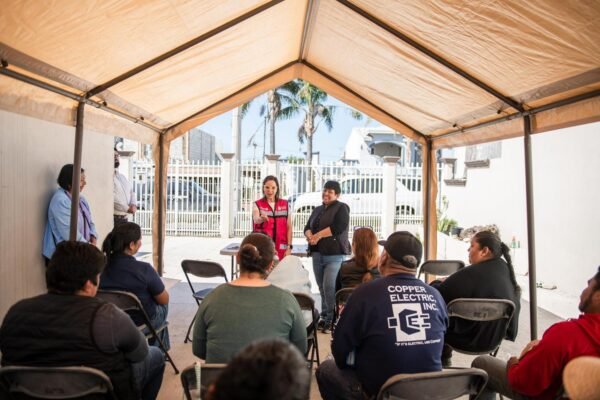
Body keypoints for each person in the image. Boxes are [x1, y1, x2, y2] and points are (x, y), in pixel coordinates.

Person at [0, 241, 165, 400]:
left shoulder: (15, 313)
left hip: (28, 394)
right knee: (156, 355)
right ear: (88, 285)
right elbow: (140, 353)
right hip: (101, 394)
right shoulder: (108, 316)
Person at [316, 231, 448, 400]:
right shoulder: (435, 295)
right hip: (428, 391)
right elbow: (442, 347)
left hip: (382, 393)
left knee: (326, 370)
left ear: (384, 257)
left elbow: (340, 353)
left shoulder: (364, 293)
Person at [471, 267, 600, 400]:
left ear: (598, 296)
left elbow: (525, 382)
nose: (585, 288)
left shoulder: (567, 334)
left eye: (589, 285)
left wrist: (514, 362)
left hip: (540, 394)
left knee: (482, 363)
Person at [192, 232, 307, 363]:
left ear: (237, 258)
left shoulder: (211, 298)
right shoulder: (287, 300)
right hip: (271, 376)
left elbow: (199, 350)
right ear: (270, 264)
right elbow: (300, 349)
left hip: (221, 376)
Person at [431, 230, 521, 365]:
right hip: (492, 340)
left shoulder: (469, 274)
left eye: (472, 246)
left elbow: (437, 293)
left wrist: (438, 282)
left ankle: (443, 359)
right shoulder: (506, 272)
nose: (468, 250)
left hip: (462, 338)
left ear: (484, 251)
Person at [100, 222, 170, 350]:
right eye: (139, 240)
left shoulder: (99, 269)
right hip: (139, 324)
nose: (141, 243)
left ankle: (159, 352)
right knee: (161, 305)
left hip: (108, 322)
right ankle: (159, 353)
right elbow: (164, 299)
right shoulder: (144, 269)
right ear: (132, 245)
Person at [305, 180, 351, 333]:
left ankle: (332, 319)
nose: (326, 194)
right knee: (321, 287)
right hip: (317, 253)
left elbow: (338, 227)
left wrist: (317, 236)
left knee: (329, 287)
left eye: (330, 192)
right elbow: (307, 227)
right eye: (325, 190)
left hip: (335, 254)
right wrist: (310, 236)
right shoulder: (317, 209)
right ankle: (325, 316)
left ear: (337, 195)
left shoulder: (342, 208)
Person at [207, 338, 311, 400]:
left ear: (214, 388)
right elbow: (302, 346)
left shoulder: (209, 305)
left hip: (207, 371)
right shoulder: (290, 305)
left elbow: (200, 350)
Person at [42, 164, 97, 262]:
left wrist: (93, 235)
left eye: (84, 179)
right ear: (69, 183)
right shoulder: (60, 201)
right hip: (65, 256)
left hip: (81, 250)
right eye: (81, 180)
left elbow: (89, 221)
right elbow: (68, 233)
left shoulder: (81, 199)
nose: (85, 183)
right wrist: (89, 248)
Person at [252, 175, 293, 261]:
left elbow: (289, 227)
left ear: (277, 188)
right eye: (267, 187)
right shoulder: (257, 204)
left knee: (281, 269)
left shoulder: (285, 204)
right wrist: (261, 219)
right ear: (263, 188)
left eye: (273, 188)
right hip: (264, 248)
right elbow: (256, 219)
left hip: (281, 248)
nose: (270, 191)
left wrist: (289, 247)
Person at [335, 227, 381, 292]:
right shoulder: (383, 268)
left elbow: (337, 293)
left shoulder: (345, 268)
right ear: (375, 246)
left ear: (354, 246)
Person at [114, 149, 137, 226]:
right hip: (115, 218)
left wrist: (133, 204)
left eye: (117, 155)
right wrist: (127, 208)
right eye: (113, 155)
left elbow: (131, 192)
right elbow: (112, 198)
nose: (116, 157)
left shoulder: (122, 177)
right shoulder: (109, 178)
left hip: (125, 218)